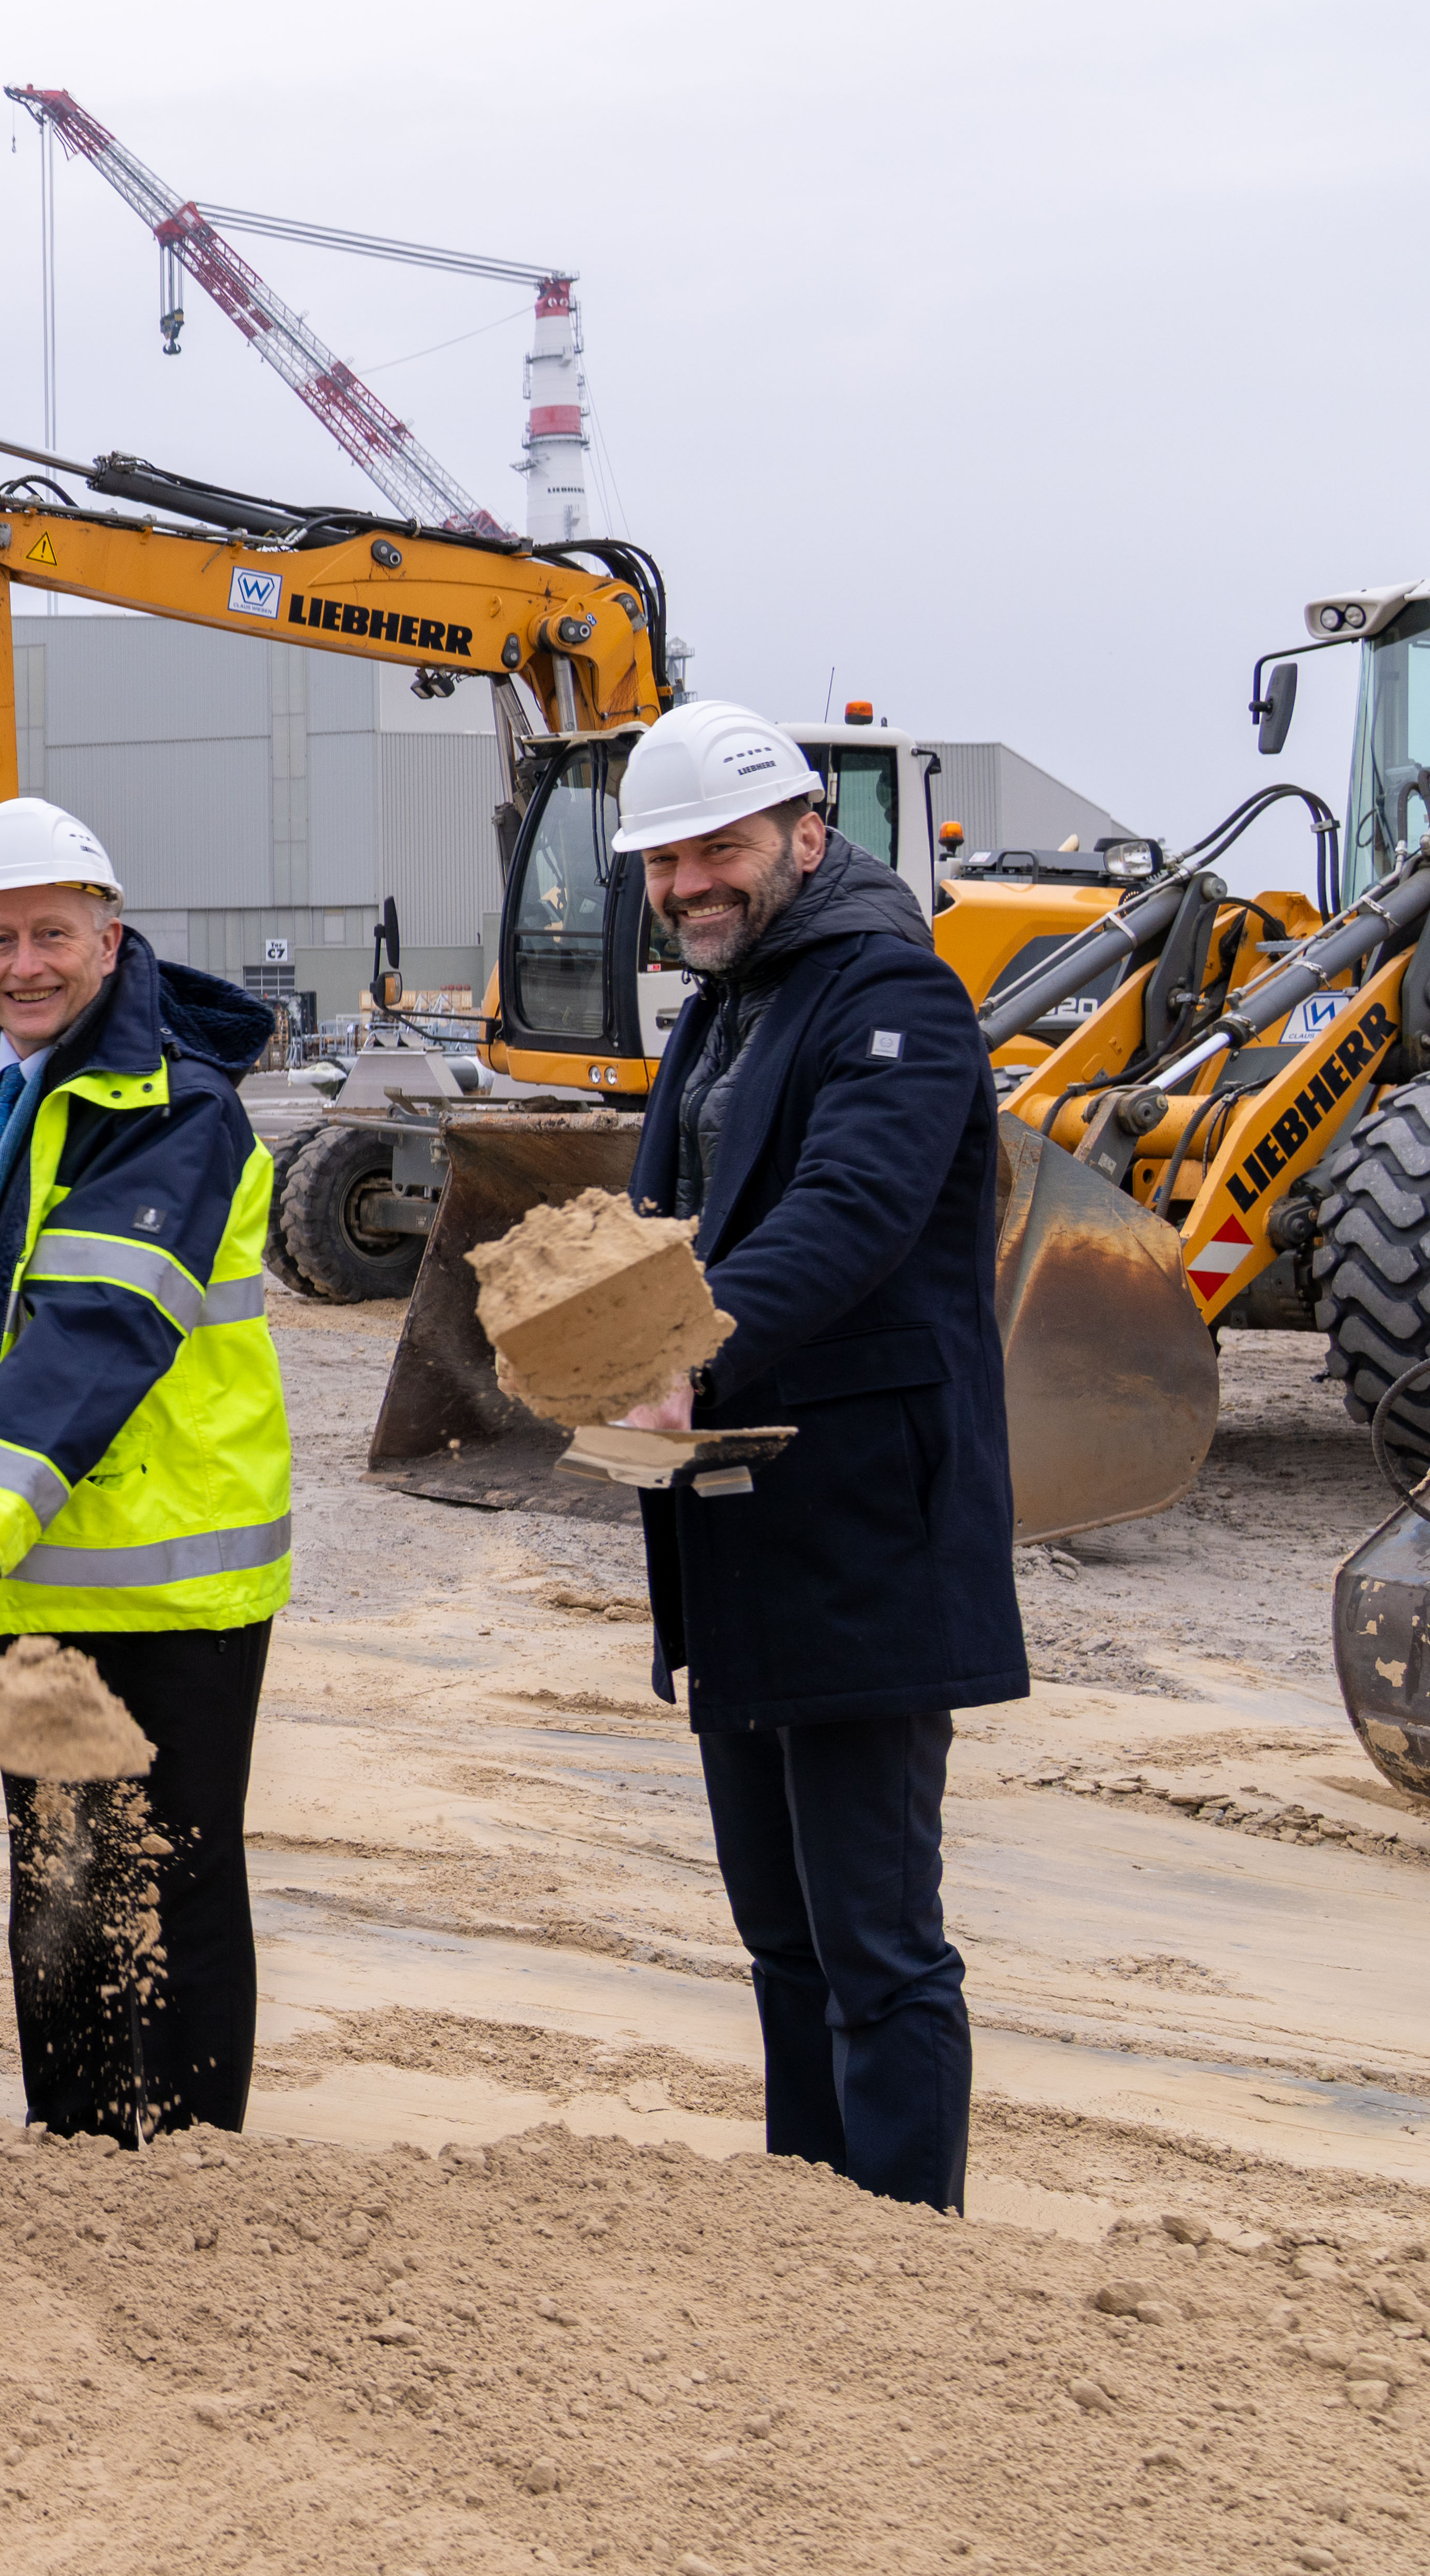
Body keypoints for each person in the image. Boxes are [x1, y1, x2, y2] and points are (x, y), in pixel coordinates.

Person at [611, 699, 1019, 2216]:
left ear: (801, 833)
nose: (685, 884)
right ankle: (806, 2233)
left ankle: (905, 2252)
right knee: (778, 1940)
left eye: (714, 848)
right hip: (736, 1529)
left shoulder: (886, 995)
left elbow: (845, 1213)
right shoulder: (735, 1002)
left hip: (859, 1531)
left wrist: (686, 1352)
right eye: (660, 862)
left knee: (874, 1946)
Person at [0, 797, 287, 2147]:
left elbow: (93, 1327)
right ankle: (77, 2142)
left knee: (175, 1873)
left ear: (109, 936)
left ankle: (194, 2163)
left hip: (170, 1571)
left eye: (49, 935)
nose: (23, 964)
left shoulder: (172, 1108)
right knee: (58, 1868)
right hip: (34, 1561)